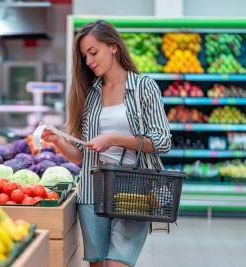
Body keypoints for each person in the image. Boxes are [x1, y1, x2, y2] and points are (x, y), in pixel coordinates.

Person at [41, 20, 171, 267]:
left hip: (136, 190)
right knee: (98, 265)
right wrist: (58, 139)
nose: (89, 61)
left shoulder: (143, 87)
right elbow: (80, 156)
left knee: (116, 264)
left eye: (93, 52)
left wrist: (113, 139)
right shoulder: (89, 94)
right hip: (93, 192)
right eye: (84, 56)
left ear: (113, 47)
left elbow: (163, 141)